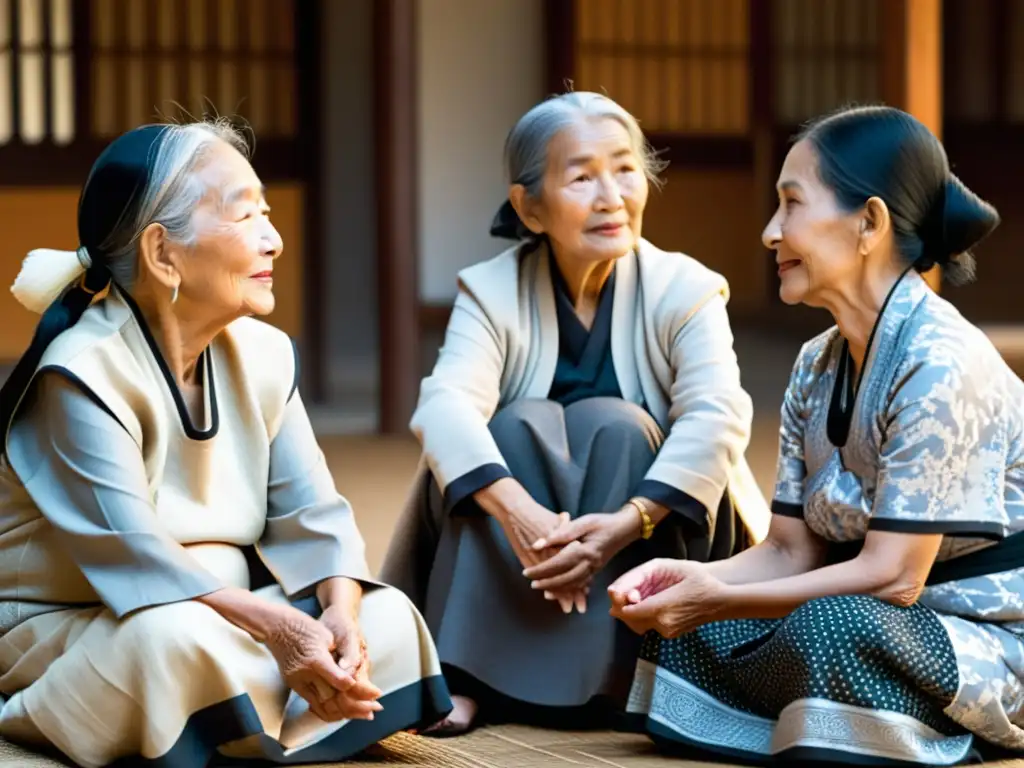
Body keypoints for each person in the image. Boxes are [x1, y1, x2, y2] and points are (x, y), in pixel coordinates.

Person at [0, 121, 451, 768]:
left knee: (388, 619)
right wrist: (278, 629)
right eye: (247, 216)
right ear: (163, 254)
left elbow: (312, 513)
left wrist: (338, 611)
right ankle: (264, 711)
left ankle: (240, 715)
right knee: (174, 643)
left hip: (223, 616)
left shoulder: (261, 354)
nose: (275, 238)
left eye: (268, 211)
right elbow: (133, 555)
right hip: (78, 624)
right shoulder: (81, 373)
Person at [611, 104, 1023, 765]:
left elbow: (892, 579)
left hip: (982, 638)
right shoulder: (816, 362)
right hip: (877, 624)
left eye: (791, 204)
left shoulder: (944, 361)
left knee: (825, 627)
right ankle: (827, 718)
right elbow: (786, 553)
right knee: (686, 629)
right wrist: (695, 582)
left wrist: (721, 600)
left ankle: (847, 717)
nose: (772, 232)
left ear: (870, 223)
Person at [380, 91, 770, 736]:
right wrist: (520, 513)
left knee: (616, 423)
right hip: (523, 541)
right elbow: (446, 402)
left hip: (649, 532)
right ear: (529, 206)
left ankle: (624, 672)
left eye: (624, 169)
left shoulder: (686, 288)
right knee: (511, 427)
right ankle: (472, 674)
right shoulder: (491, 288)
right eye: (582, 176)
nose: (611, 195)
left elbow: (716, 415)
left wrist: (623, 523)